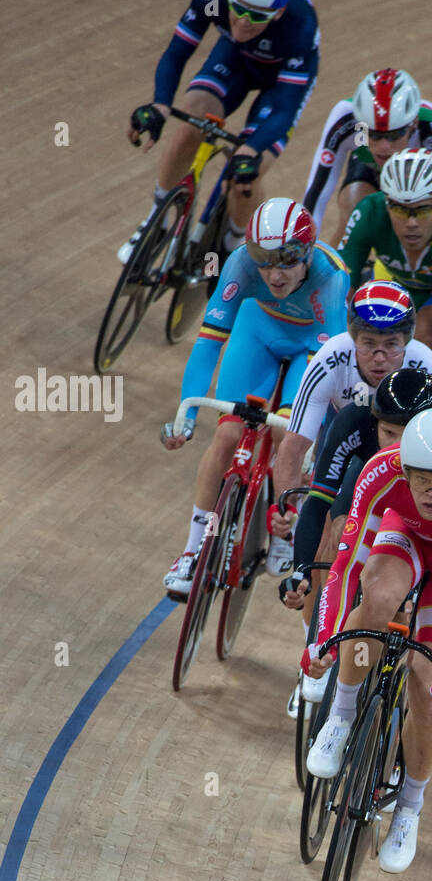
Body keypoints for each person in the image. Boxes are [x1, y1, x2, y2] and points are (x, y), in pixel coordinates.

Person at [302, 410, 432, 873]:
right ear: (404, 470)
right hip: (405, 537)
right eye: (422, 481)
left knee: (426, 677)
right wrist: (327, 641)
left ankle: (409, 808)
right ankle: (342, 715)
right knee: (378, 597)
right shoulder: (381, 470)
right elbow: (346, 565)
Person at [160, 198, 348, 597]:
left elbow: (330, 364)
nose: (273, 273)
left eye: (286, 260)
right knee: (227, 437)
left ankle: (285, 520)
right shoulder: (240, 263)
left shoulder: (331, 277)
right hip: (257, 331)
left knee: (288, 435)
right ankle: (192, 552)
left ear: (308, 252)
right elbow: (209, 342)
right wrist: (186, 415)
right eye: (263, 260)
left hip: (309, 349)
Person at [278, 368, 432, 718]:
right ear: (375, 422)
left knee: (398, 595)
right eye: (389, 432)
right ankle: (319, 654)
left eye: (406, 434)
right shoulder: (354, 419)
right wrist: (302, 568)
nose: (396, 444)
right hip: (369, 483)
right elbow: (319, 501)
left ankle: (381, 654)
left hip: (418, 506)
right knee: (336, 542)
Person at [121, 0, 319, 261]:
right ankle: (155, 222)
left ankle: (233, 244)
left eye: (257, 16)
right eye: (238, 9)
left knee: (243, 178)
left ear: (278, 13)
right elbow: (176, 53)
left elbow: (285, 109)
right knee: (192, 120)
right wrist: (160, 105)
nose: (243, 21)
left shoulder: (300, 25)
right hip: (235, 60)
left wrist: (251, 151)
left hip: (279, 84)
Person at [270, 279, 432, 513]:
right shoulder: (330, 358)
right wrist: (285, 510)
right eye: (368, 343)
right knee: (326, 511)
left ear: (407, 341)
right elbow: (294, 446)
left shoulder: (427, 369)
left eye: (391, 344)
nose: (379, 357)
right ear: (354, 338)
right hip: (342, 431)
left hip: (403, 448)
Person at [337, 149, 432, 385]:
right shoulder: (370, 212)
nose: (412, 223)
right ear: (387, 205)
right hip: (401, 281)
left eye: (423, 210)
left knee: (427, 328)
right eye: (400, 210)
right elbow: (339, 289)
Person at [302, 68, 432, 246]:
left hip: (418, 171)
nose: (384, 146)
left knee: (414, 226)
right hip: (370, 167)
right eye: (373, 134)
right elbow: (316, 194)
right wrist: (305, 254)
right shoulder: (345, 119)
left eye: (394, 135)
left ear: (413, 124)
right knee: (353, 216)